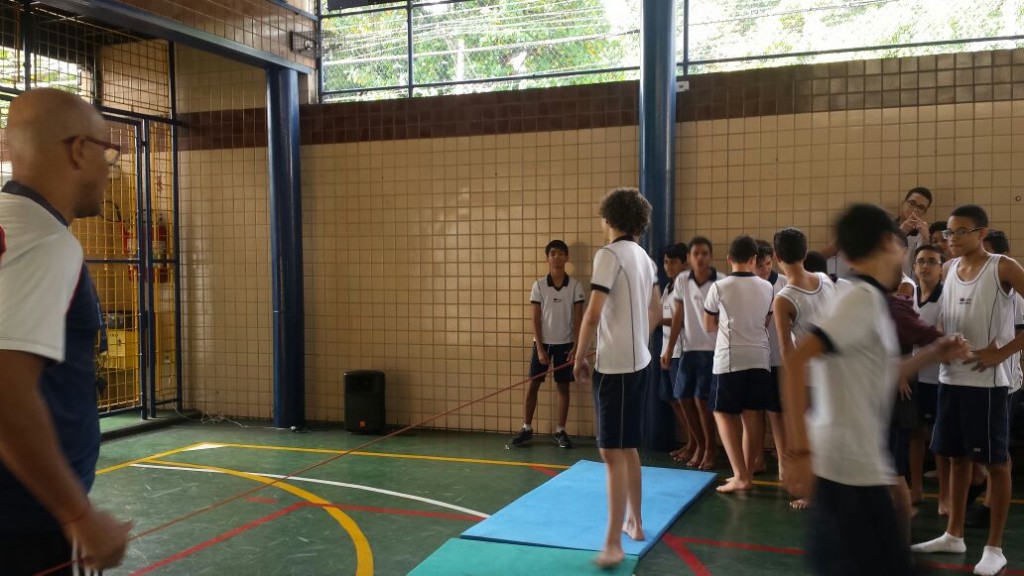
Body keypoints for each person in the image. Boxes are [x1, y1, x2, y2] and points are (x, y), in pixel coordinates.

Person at [781, 203, 967, 576]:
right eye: (901, 246)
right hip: (845, 471)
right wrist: (799, 452)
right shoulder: (858, 300)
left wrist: (933, 352)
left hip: (861, 468)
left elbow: (877, 374)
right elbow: (797, 361)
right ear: (887, 242)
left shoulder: (873, 300)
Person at [0, 89, 132, 574]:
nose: (109, 168)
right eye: (107, 152)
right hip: (23, 527)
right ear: (79, 150)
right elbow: (6, 389)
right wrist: (77, 513)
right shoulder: (45, 243)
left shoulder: (9, 227)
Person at [912, 205, 1024, 576]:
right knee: (956, 457)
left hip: (987, 384)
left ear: (981, 233)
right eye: (949, 233)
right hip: (950, 379)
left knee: (996, 463)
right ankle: (953, 534)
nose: (953, 239)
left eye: (961, 232)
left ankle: (995, 548)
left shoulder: (1003, 267)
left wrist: (1002, 352)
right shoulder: (947, 269)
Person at [573, 187, 660, 568]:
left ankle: (612, 543)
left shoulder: (608, 255)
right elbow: (655, 310)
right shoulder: (644, 257)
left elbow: (593, 314)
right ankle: (635, 522)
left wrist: (579, 355)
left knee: (611, 452)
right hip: (638, 362)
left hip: (617, 369)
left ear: (608, 219)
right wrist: (632, 339)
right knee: (626, 448)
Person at [772, 228, 838, 509]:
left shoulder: (784, 298)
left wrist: (791, 390)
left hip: (811, 375)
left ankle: (814, 492)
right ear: (805, 251)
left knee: (813, 435)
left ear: (777, 257)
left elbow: (787, 351)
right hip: (838, 369)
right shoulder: (825, 280)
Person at [703, 235, 775, 493]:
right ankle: (748, 472)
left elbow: (709, 325)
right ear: (754, 259)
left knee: (722, 413)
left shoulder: (719, 286)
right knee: (752, 414)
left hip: (730, 358)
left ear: (729, 259)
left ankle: (740, 474)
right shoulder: (767, 287)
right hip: (760, 357)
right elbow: (766, 321)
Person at [509, 240, 585, 449]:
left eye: (561, 253)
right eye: (553, 253)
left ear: (567, 257)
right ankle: (526, 427)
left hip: (566, 345)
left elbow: (579, 319)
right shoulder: (539, 285)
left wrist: (576, 346)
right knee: (533, 385)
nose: (557, 257)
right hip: (542, 345)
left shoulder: (576, 286)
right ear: (547, 258)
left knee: (563, 387)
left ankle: (560, 430)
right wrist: (540, 348)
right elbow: (535, 319)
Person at [661, 237, 719, 470]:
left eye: (704, 253)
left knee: (701, 401)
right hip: (684, 349)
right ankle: (697, 444)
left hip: (709, 350)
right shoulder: (680, 282)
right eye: (696, 254)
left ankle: (709, 448)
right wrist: (668, 348)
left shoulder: (718, 281)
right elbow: (678, 316)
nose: (700, 258)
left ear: (710, 257)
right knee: (682, 398)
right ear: (690, 258)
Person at [906, 244, 949, 513]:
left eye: (932, 261)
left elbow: (943, 337)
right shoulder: (909, 295)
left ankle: (945, 495)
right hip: (915, 376)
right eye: (921, 261)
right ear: (913, 267)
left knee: (940, 440)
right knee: (915, 434)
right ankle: (917, 488)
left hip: (940, 377)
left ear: (941, 269)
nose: (925, 266)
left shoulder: (946, 297)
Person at [659, 243, 698, 461]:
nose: (668, 266)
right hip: (667, 352)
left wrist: (657, 321)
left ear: (685, 263)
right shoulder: (668, 287)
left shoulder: (689, 287)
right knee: (673, 399)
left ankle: (697, 444)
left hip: (682, 351)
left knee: (687, 401)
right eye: (666, 262)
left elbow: (682, 320)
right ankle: (691, 441)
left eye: (673, 262)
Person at [753, 239, 787, 478]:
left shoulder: (784, 283)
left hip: (779, 357)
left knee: (777, 411)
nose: (764, 269)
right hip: (756, 357)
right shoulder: (748, 285)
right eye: (759, 265)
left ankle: (783, 458)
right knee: (755, 410)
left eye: (767, 264)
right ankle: (757, 458)